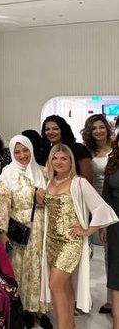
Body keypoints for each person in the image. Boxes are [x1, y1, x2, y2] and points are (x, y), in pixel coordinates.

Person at [41, 144, 117, 329]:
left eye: (64, 158)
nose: (59, 162)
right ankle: (70, 325)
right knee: (65, 286)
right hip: (51, 242)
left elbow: (102, 209)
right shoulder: (48, 182)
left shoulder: (79, 183)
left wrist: (87, 230)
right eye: (55, 158)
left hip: (70, 242)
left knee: (54, 285)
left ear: (71, 161)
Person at [0, 135, 49, 329]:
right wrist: (2, 233)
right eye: (17, 152)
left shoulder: (43, 171)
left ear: (31, 150)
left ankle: (40, 309)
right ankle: (25, 309)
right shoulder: (8, 174)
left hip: (42, 229)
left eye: (25, 150)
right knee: (22, 270)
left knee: (41, 268)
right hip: (21, 232)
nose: (22, 155)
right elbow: (1, 205)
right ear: (12, 154)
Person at [82, 113, 113, 312]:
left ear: (107, 129)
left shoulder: (116, 149)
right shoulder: (89, 153)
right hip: (97, 205)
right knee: (107, 253)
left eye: (102, 127)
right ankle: (110, 299)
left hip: (115, 201)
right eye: (94, 128)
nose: (98, 131)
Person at [41, 114, 93, 183]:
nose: (50, 132)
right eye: (47, 129)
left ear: (63, 129)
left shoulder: (78, 148)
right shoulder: (47, 151)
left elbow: (88, 179)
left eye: (55, 129)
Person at [102, 132, 119, 329]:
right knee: (116, 271)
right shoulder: (112, 162)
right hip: (116, 224)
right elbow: (105, 196)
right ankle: (117, 322)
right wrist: (104, 225)